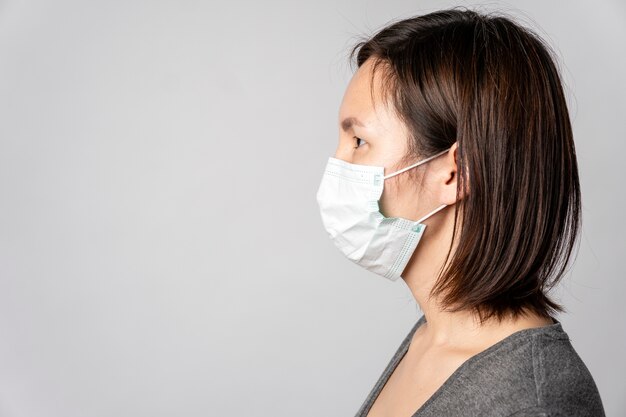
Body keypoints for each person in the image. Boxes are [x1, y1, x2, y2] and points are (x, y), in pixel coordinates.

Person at [315, 7, 606, 417]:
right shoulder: (433, 338)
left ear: (454, 172)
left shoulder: (534, 401)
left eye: (359, 141)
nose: (337, 164)